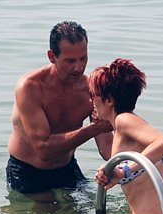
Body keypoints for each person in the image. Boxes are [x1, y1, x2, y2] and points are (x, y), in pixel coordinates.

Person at [7, 21, 113, 195]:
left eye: (83, 58)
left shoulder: (90, 89)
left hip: (67, 168)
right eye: (70, 61)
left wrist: (137, 163)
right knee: (47, 212)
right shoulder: (30, 87)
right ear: (52, 56)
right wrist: (93, 129)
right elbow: (43, 149)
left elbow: (107, 147)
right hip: (28, 172)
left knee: (92, 207)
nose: (78, 68)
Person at [90, 58, 163, 214]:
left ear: (109, 100)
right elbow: (110, 154)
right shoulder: (126, 126)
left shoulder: (124, 120)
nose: (90, 100)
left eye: (92, 95)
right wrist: (107, 170)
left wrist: (124, 171)